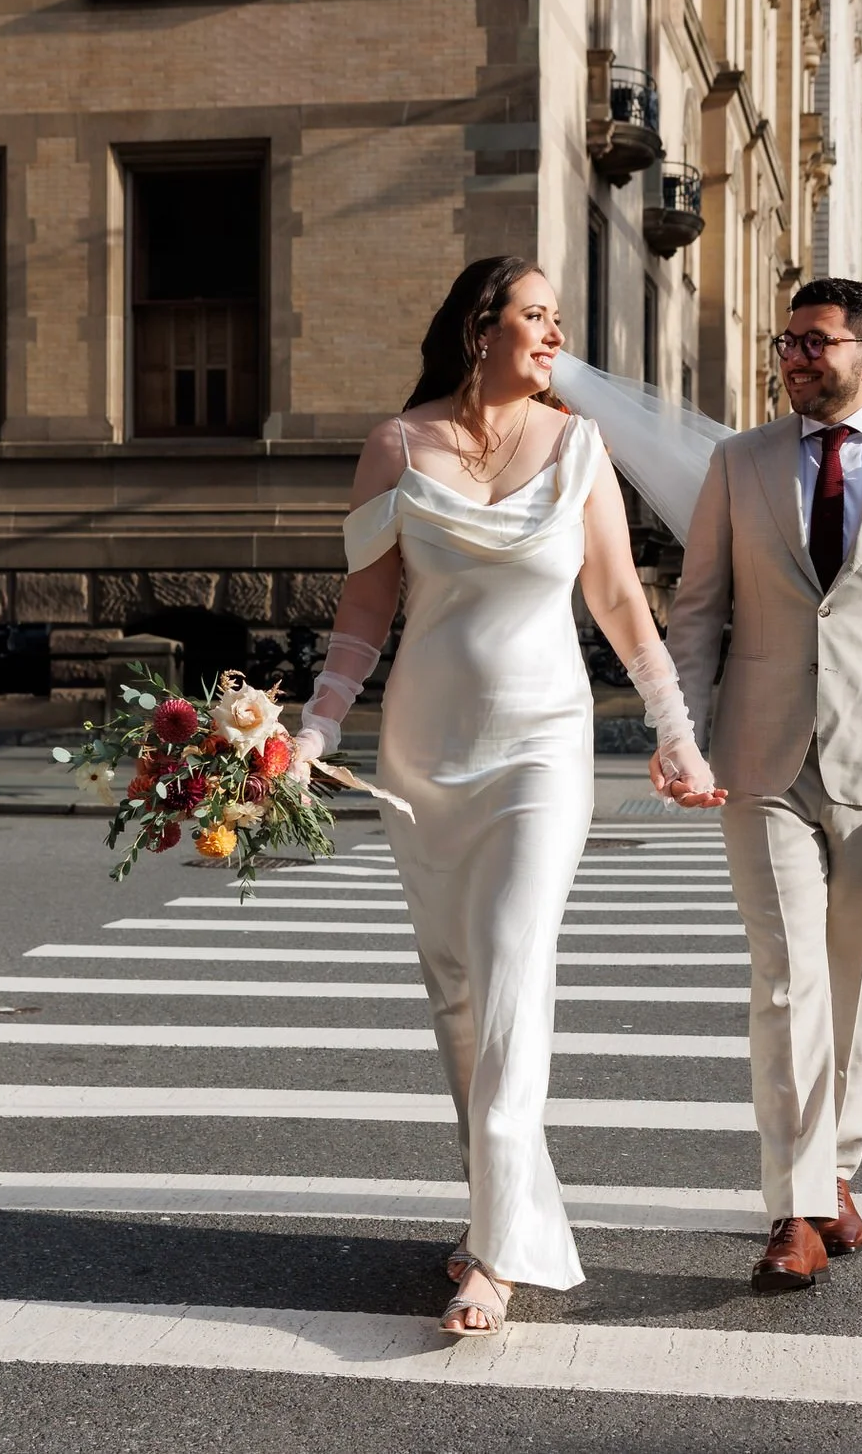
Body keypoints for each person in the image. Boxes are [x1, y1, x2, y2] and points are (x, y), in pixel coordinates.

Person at [290, 255, 724, 1337]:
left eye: (556, 319)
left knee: (513, 968)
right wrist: (309, 732)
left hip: (542, 744)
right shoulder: (396, 445)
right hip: (424, 752)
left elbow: (622, 598)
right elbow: (365, 609)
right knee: (458, 995)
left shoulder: (580, 443)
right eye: (535, 315)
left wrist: (675, 732)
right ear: (479, 326)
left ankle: (492, 1253)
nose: (552, 334)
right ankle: (505, 1203)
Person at [663, 276, 862, 1293]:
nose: (795, 357)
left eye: (815, 342)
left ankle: (837, 1170)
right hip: (760, 757)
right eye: (787, 341)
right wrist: (682, 731)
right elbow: (699, 609)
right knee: (787, 980)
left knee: (855, 988)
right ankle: (797, 1207)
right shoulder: (738, 461)